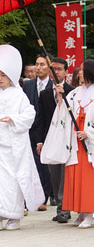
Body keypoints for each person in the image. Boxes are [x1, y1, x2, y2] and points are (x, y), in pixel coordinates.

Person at [0, 45, 44, 231]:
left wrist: (12, 119)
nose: (0, 79)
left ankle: (13, 215)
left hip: (11, 146)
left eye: (3, 75)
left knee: (11, 182)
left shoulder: (19, 95)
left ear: (10, 75)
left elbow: (29, 115)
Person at [41, 59, 94, 228]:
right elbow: (63, 112)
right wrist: (60, 95)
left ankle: (90, 212)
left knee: (87, 178)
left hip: (88, 140)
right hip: (74, 139)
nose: (79, 72)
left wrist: (89, 133)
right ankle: (81, 212)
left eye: (83, 70)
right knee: (74, 176)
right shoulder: (74, 93)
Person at [34, 58, 74, 223]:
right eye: (54, 69)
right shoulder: (44, 94)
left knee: (65, 173)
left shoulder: (72, 91)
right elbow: (41, 119)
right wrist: (40, 141)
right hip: (51, 138)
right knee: (54, 174)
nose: (56, 72)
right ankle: (59, 203)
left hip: (67, 138)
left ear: (66, 71)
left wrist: (62, 96)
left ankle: (64, 208)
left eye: (59, 69)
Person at [23, 54, 53, 210]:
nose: (38, 67)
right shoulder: (28, 85)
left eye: (42, 64)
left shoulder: (53, 85)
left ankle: (46, 195)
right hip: (30, 129)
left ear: (49, 67)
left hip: (47, 129)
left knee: (45, 164)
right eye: (37, 64)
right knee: (31, 163)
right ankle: (32, 197)